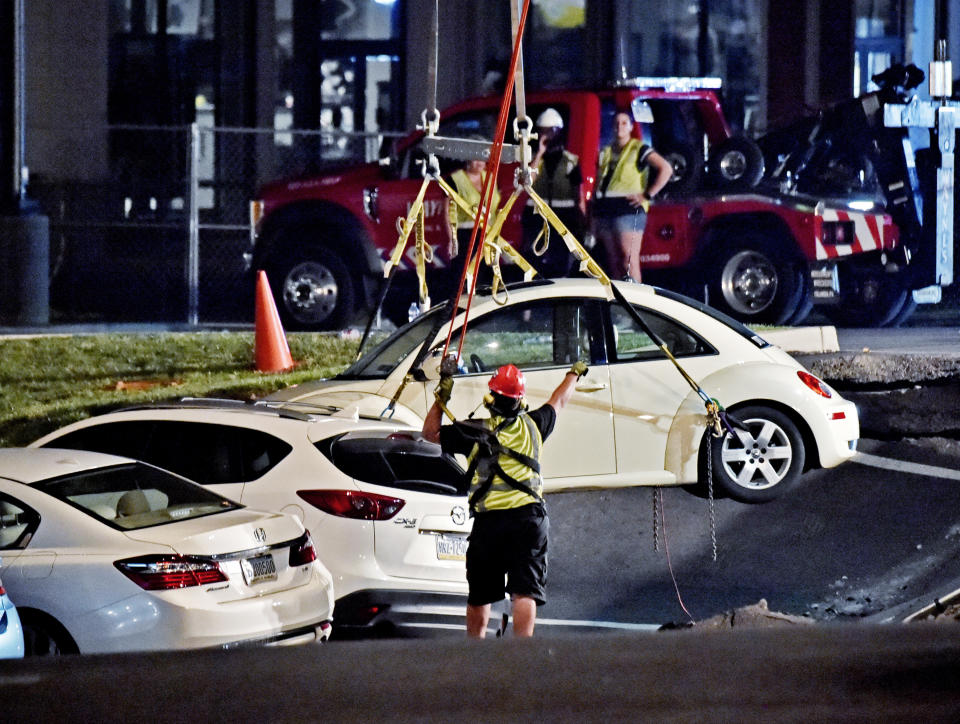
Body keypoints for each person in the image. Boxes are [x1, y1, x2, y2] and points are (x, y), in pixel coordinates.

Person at [421, 358, 588, 638]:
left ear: (490, 398)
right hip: (529, 520)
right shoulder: (535, 425)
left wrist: (442, 396)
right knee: (524, 593)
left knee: (480, 596)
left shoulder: (472, 431)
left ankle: (475, 655)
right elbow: (559, 401)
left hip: (489, 523)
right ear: (520, 401)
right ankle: (522, 656)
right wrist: (574, 374)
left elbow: (430, 433)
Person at [593, 110, 673, 283]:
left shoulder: (639, 149)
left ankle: (635, 301)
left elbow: (666, 168)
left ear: (630, 127)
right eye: (616, 123)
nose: (619, 126)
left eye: (623, 123)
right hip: (605, 210)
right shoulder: (605, 151)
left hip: (628, 209)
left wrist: (647, 194)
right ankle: (618, 302)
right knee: (613, 262)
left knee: (628, 260)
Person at [522, 108, 585, 277]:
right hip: (537, 216)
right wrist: (540, 154)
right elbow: (528, 181)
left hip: (563, 217)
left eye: (551, 130)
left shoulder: (570, 160)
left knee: (561, 261)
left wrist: (583, 223)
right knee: (535, 259)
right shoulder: (533, 159)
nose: (547, 135)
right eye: (543, 130)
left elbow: (579, 195)